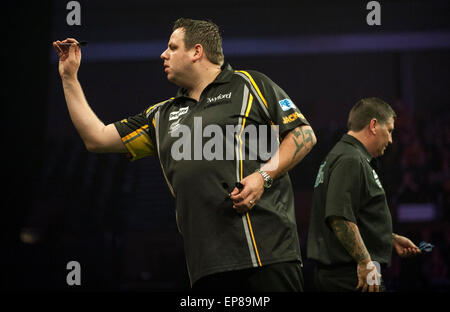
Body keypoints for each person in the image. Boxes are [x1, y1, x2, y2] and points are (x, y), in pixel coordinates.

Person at [53, 18, 317, 291]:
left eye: (172, 47)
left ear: (197, 51)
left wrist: (263, 176)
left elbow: (304, 135)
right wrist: (69, 78)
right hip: (205, 265)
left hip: (267, 255)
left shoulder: (250, 85)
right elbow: (96, 138)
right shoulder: (161, 115)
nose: (163, 54)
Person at [306, 98, 421, 292]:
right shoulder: (350, 159)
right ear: (374, 125)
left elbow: (355, 214)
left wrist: (388, 238)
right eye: (390, 131)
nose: (391, 140)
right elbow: (339, 217)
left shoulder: (346, 156)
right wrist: (365, 261)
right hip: (350, 277)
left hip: (347, 274)